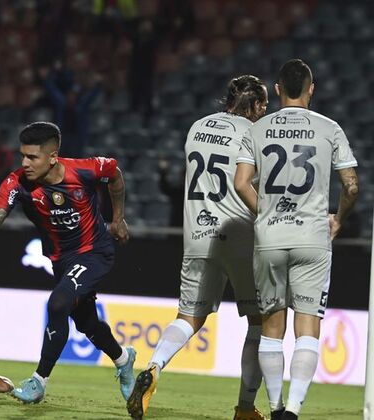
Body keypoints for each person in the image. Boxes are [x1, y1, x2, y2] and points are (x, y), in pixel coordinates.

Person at [0, 121, 136, 403]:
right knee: (86, 323)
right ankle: (124, 360)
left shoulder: (84, 169)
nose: (24, 163)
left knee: (58, 303)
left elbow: (115, 174)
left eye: (32, 157)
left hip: (95, 252)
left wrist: (118, 218)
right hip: (62, 260)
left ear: (52, 157)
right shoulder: (17, 182)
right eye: (22, 155)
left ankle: (38, 381)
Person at [127, 75, 269, 420]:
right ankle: (245, 409)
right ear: (253, 105)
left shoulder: (197, 128)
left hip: (197, 234)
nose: (266, 112)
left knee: (189, 317)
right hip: (240, 235)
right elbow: (253, 184)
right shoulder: (255, 135)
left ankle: (154, 366)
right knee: (261, 323)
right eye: (264, 106)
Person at [234, 59, 359, 419]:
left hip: (270, 237)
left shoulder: (257, 130)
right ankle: (292, 410)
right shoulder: (329, 128)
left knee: (272, 327)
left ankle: (273, 408)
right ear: (311, 88)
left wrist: (267, 213)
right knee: (308, 325)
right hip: (312, 238)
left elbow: (241, 182)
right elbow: (351, 185)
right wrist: (338, 219)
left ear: (276, 90)